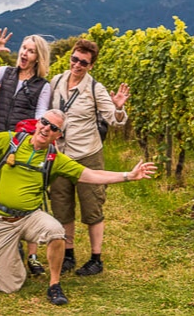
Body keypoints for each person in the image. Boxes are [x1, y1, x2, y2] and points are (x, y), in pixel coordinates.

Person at [0, 90, 156, 306]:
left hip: (29, 216)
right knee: (10, 286)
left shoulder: (55, 159)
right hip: (0, 220)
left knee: (56, 231)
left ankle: (54, 284)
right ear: (37, 123)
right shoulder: (10, 141)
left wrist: (128, 176)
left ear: (58, 136)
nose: (47, 128)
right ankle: (10, 252)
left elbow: (91, 175)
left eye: (54, 128)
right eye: (45, 122)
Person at [49, 39, 130, 276]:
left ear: (91, 65)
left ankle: (96, 259)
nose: (77, 65)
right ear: (70, 57)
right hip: (60, 155)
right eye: (75, 59)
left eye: (83, 62)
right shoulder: (56, 82)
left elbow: (116, 120)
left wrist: (118, 107)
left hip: (87, 154)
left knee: (92, 207)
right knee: (62, 205)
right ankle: (69, 254)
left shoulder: (96, 88)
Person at [0, 28, 52, 275]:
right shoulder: (4, 72)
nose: (25, 53)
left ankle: (30, 254)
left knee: (23, 196)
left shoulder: (43, 85)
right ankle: (1, 249)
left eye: (31, 51)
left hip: (22, 146)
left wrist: (35, 142)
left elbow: (41, 116)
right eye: (23, 48)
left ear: (38, 57)